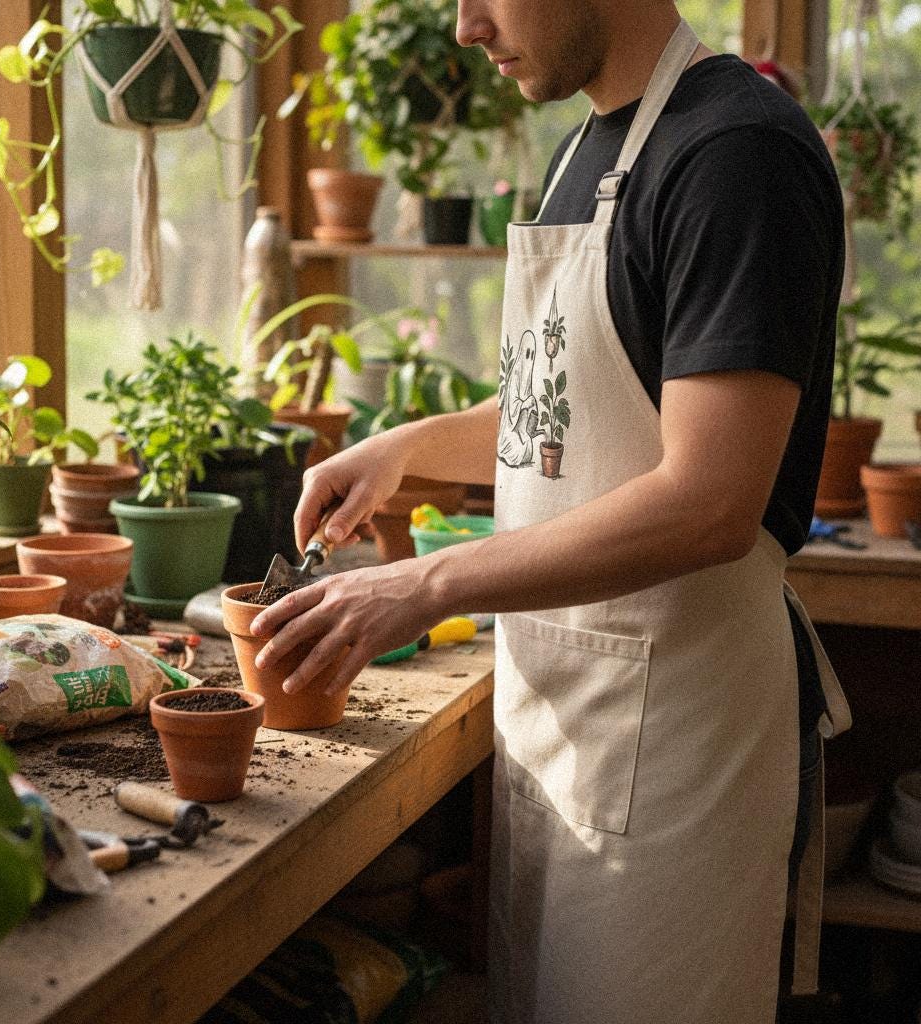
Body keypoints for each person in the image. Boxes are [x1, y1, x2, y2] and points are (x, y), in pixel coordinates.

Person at [249, 2, 852, 1020]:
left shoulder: (736, 154)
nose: (466, 28)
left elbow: (708, 499)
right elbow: (562, 403)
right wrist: (402, 449)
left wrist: (423, 580)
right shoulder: (587, 146)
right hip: (561, 736)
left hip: (678, 761)